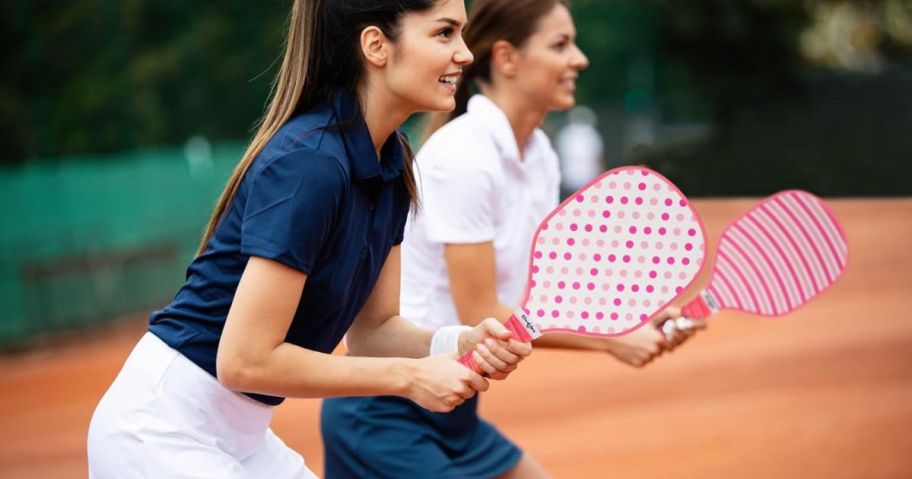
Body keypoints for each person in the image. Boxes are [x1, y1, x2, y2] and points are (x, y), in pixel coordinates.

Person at [86, 1, 533, 477]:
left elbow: (373, 332)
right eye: (444, 33)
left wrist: (460, 340)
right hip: (159, 431)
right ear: (376, 46)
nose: (465, 53)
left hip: (242, 435)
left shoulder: (391, 163)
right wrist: (411, 376)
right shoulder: (311, 164)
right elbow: (244, 360)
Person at [321, 1, 704, 478]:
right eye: (560, 44)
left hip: (453, 405)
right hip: (389, 407)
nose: (579, 59)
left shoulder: (539, 153)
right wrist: (610, 340)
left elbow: (530, 293)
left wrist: (632, 318)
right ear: (506, 59)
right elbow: (480, 310)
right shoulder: (465, 156)